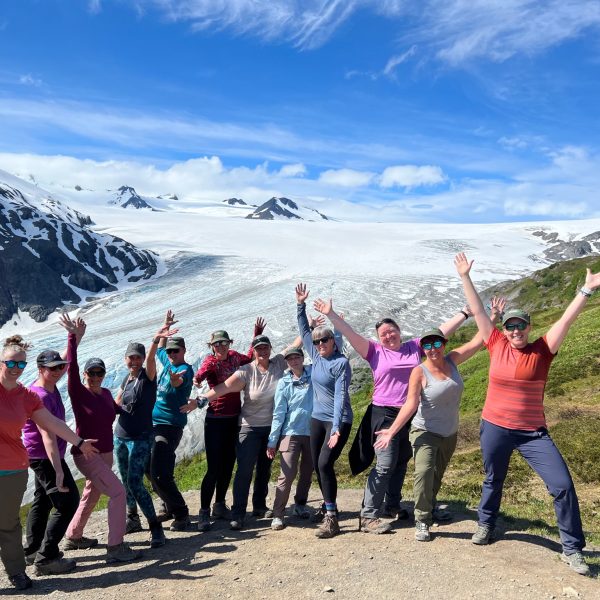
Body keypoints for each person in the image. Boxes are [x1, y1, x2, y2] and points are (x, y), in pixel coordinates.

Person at [455, 252, 599, 576]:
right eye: (511, 326)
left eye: (521, 325)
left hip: (533, 432)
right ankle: (486, 524)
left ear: (529, 327)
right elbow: (478, 311)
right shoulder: (495, 344)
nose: (516, 330)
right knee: (494, 479)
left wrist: (586, 289)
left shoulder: (543, 350)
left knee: (561, 484)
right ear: (504, 330)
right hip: (494, 426)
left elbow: (565, 320)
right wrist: (465, 277)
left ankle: (572, 549)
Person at [313, 297, 471, 534]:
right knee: (385, 463)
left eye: (391, 331)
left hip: (411, 412)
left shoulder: (414, 347)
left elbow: (439, 333)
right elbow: (351, 333)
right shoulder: (374, 351)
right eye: (383, 334)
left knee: (401, 462)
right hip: (384, 413)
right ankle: (367, 516)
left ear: (399, 331)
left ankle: (392, 505)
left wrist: (464, 314)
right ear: (378, 339)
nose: (388, 336)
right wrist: (332, 315)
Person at [374, 298, 505, 543]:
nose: (432, 348)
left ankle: (430, 506)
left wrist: (495, 316)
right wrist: (391, 431)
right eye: (427, 345)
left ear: (444, 344)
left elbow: (479, 341)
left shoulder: (453, 360)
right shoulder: (418, 371)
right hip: (425, 430)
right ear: (422, 349)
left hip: (449, 432)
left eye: (436, 342)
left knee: (436, 475)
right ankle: (422, 520)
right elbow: (410, 404)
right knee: (423, 473)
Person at [0, 335, 97, 591]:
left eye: (21, 365)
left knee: (9, 524)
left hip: (12, 469)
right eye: (11, 363)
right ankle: (39, 557)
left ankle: (17, 572)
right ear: (1, 362)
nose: (16, 369)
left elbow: (52, 424)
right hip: (23, 462)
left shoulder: (27, 396)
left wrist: (78, 442)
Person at [182, 324, 300, 531]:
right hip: (249, 427)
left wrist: (309, 326)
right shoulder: (245, 371)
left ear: (270, 349)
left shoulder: (278, 364)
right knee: (244, 469)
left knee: (264, 469)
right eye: (259, 348)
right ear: (253, 352)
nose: (263, 351)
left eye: (266, 347)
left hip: (272, 428)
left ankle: (259, 506)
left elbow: (295, 345)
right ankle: (238, 512)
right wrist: (199, 401)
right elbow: (223, 388)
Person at [60, 315, 141, 563]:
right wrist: (72, 338)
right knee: (117, 493)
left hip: (105, 455)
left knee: (91, 495)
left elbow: (116, 410)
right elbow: (70, 367)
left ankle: (73, 536)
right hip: (88, 454)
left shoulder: (105, 393)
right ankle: (115, 547)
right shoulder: (79, 393)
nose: (96, 377)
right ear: (85, 374)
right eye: (91, 373)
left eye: (100, 373)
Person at [193, 318, 266, 532]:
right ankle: (204, 512)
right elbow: (201, 375)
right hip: (215, 419)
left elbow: (251, 357)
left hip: (234, 419)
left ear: (229, 344)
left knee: (227, 466)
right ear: (212, 347)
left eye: (224, 343)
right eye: (217, 344)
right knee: (214, 468)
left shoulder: (235, 357)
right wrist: (197, 380)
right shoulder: (210, 361)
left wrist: (256, 334)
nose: (221, 347)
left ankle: (219, 505)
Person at [114, 319, 178, 548]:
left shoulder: (147, 377)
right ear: (125, 359)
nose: (135, 360)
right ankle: (132, 518)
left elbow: (152, 359)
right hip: (121, 436)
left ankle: (156, 527)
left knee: (135, 481)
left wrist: (156, 338)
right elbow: (117, 401)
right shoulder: (126, 378)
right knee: (125, 480)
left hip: (141, 437)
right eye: (131, 357)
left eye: (138, 357)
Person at [296, 283, 352, 539]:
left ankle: (332, 518)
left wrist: (337, 428)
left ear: (333, 341)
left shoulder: (341, 363)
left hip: (337, 419)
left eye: (324, 340)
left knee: (324, 462)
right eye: (317, 341)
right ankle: (329, 507)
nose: (319, 344)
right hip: (317, 419)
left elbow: (341, 395)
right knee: (319, 467)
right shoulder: (316, 356)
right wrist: (300, 305)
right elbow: (304, 330)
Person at [22, 350, 80, 576]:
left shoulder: (47, 385)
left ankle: (32, 550)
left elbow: (62, 363)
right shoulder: (42, 396)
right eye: (52, 368)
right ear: (40, 369)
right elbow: (49, 438)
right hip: (45, 456)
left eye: (59, 367)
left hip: (38, 455)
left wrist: (74, 338)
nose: (57, 371)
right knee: (67, 502)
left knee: (43, 500)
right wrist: (58, 470)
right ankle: (46, 558)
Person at [149, 310, 195, 531]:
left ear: (184, 351)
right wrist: (164, 327)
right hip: (153, 424)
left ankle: (181, 513)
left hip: (169, 426)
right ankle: (169, 505)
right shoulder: (167, 361)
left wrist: (176, 381)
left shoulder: (185, 369)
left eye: (176, 351)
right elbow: (158, 348)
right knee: (150, 469)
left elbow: (179, 383)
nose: (171, 353)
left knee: (160, 471)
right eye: (170, 351)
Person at [266, 346, 314, 530]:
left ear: (302, 358)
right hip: (290, 432)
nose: (294, 361)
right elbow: (278, 412)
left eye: (297, 357)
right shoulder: (284, 382)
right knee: (286, 474)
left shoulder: (313, 374)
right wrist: (273, 441)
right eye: (290, 359)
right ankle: (278, 514)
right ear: (287, 362)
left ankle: (300, 505)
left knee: (307, 473)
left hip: (312, 432)